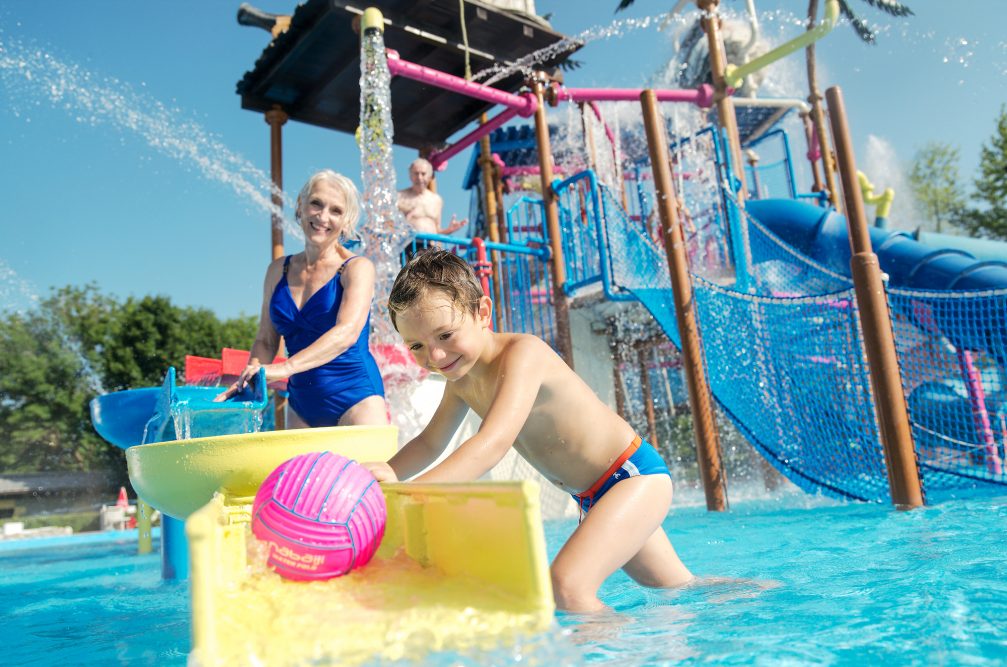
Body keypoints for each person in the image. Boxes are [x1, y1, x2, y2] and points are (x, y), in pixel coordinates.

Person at [363, 249, 693, 612]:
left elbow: (493, 443)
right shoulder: (459, 382)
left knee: (566, 588)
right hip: (592, 497)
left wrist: (412, 494)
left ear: (482, 312)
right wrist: (391, 471)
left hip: (632, 477)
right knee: (680, 589)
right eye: (417, 346)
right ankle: (753, 592)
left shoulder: (523, 353)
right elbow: (429, 442)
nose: (436, 356)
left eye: (445, 335)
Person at [215, 170, 387, 427]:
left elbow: (347, 333)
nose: (323, 216)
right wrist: (249, 378)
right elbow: (265, 339)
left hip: (356, 398)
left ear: (346, 221)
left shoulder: (357, 268)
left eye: (336, 211)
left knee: (364, 470)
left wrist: (284, 368)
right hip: (301, 405)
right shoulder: (277, 270)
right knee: (297, 470)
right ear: (300, 206)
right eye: (316, 203)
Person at [396, 158, 468, 236]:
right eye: (416, 173)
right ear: (410, 175)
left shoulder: (436, 200)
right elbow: (389, 225)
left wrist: (449, 230)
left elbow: (437, 230)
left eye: (423, 174)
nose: (419, 178)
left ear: (429, 176)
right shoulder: (399, 196)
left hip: (431, 245)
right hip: (409, 244)